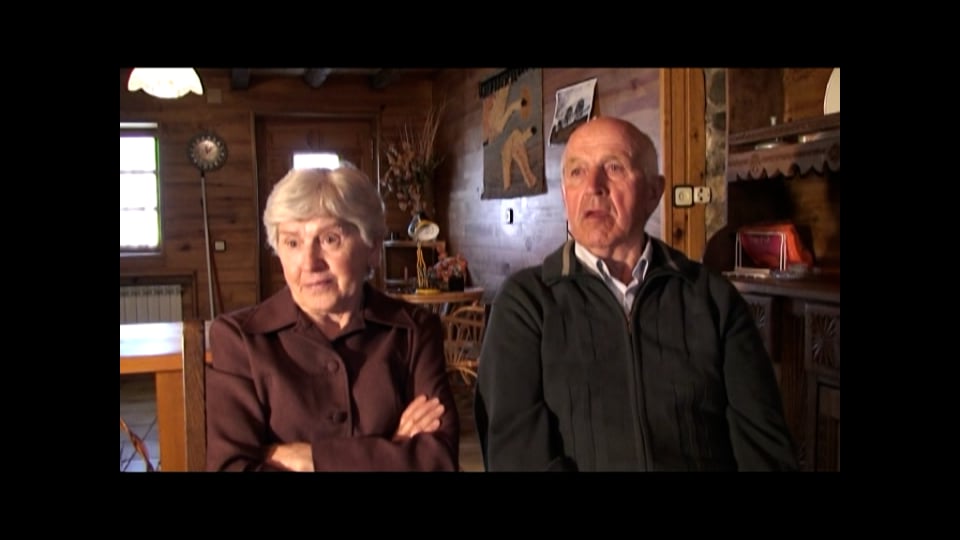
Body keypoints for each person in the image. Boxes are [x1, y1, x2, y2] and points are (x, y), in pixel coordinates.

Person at [474, 117, 798, 471]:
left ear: (653, 193)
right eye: (577, 172)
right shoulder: (526, 303)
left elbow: (765, 450)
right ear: (565, 195)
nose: (594, 186)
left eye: (614, 167)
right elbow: (516, 456)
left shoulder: (713, 300)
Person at [206, 166, 459, 471]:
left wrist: (311, 460)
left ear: (373, 248)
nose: (310, 263)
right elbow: (231, 468)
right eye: (292, 243)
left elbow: (438, 460)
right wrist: (390, 450)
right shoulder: (239, 339)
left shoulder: (415, 330)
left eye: (329, 239)